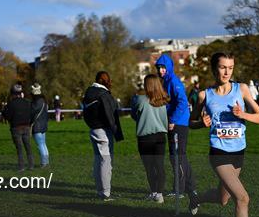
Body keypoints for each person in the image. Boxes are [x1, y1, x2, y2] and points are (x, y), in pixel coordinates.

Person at [189, 52, 259, 217]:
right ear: (215, 68)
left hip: (238, 153)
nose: (227, 72)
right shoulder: (205, 95)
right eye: (223, 67)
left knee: (223, 199)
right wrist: (200, 124)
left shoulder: (241, 89)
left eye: (230, 67)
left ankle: (197, 198)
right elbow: (191, 122)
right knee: (242, 198)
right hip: (219, 153)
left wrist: (244, 115)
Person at [155, 54, 197, 200]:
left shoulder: (173, 81)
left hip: (178, 124)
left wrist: (172, 119)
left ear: (169, 67)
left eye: (163, 67)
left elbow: (182, 102)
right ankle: (191, 187)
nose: (161, 70)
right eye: (159, 68)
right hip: (175, 123)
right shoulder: (166, 81)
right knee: (180, 156)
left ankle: (179, 190)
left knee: (176, 157)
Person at [83, 71, 124, 201]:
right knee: (106, 162)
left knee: (98, 161)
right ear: (102, 80)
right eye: (108, 79)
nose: (109, 81)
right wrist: (117, 133)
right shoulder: (103, 94)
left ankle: (101, 190)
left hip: (93, 129)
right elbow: (110, 115)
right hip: (104, 131)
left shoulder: (89, 92)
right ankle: (105, 193)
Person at [131, 74, 169, 203]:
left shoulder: (140, 99)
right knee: (159, 166)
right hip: (160, 137)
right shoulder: (164, 100)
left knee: (149, 167)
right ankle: (159, 194)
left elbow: (133, 114)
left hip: (145, 138)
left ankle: (154, 192)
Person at [2, 84, 34, 171]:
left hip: (16, 128)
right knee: (28, 146)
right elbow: (32, 114)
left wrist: (4, 110)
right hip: (26, 126)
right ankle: (31, 165)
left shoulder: (11, 104)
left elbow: (7, 117)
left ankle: (21, 166)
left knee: (19, 148)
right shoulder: (27, 102)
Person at [30, 83, 50, 168]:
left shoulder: (35, 103)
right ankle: (46, 161)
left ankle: (44, 162)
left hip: (37, 126)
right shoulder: (44, 102)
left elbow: (31, 112)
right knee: (43, 144)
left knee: (40, 145)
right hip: (43, 125)